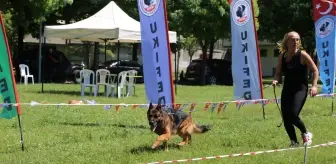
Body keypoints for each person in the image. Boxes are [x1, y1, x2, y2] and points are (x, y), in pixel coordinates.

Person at [272, 31, 319, 147]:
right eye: (292, 39)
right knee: (286, 117)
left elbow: (315, 70)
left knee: (293, 114)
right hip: (287, 89)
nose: (295, 42)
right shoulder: (282, 56)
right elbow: (278, 73)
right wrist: (275, 80)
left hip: (300, 89)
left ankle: (306, 133)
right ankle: (294, 142)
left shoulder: (302, 55)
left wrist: (314, 86)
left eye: (297, 39)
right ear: (286, 42)